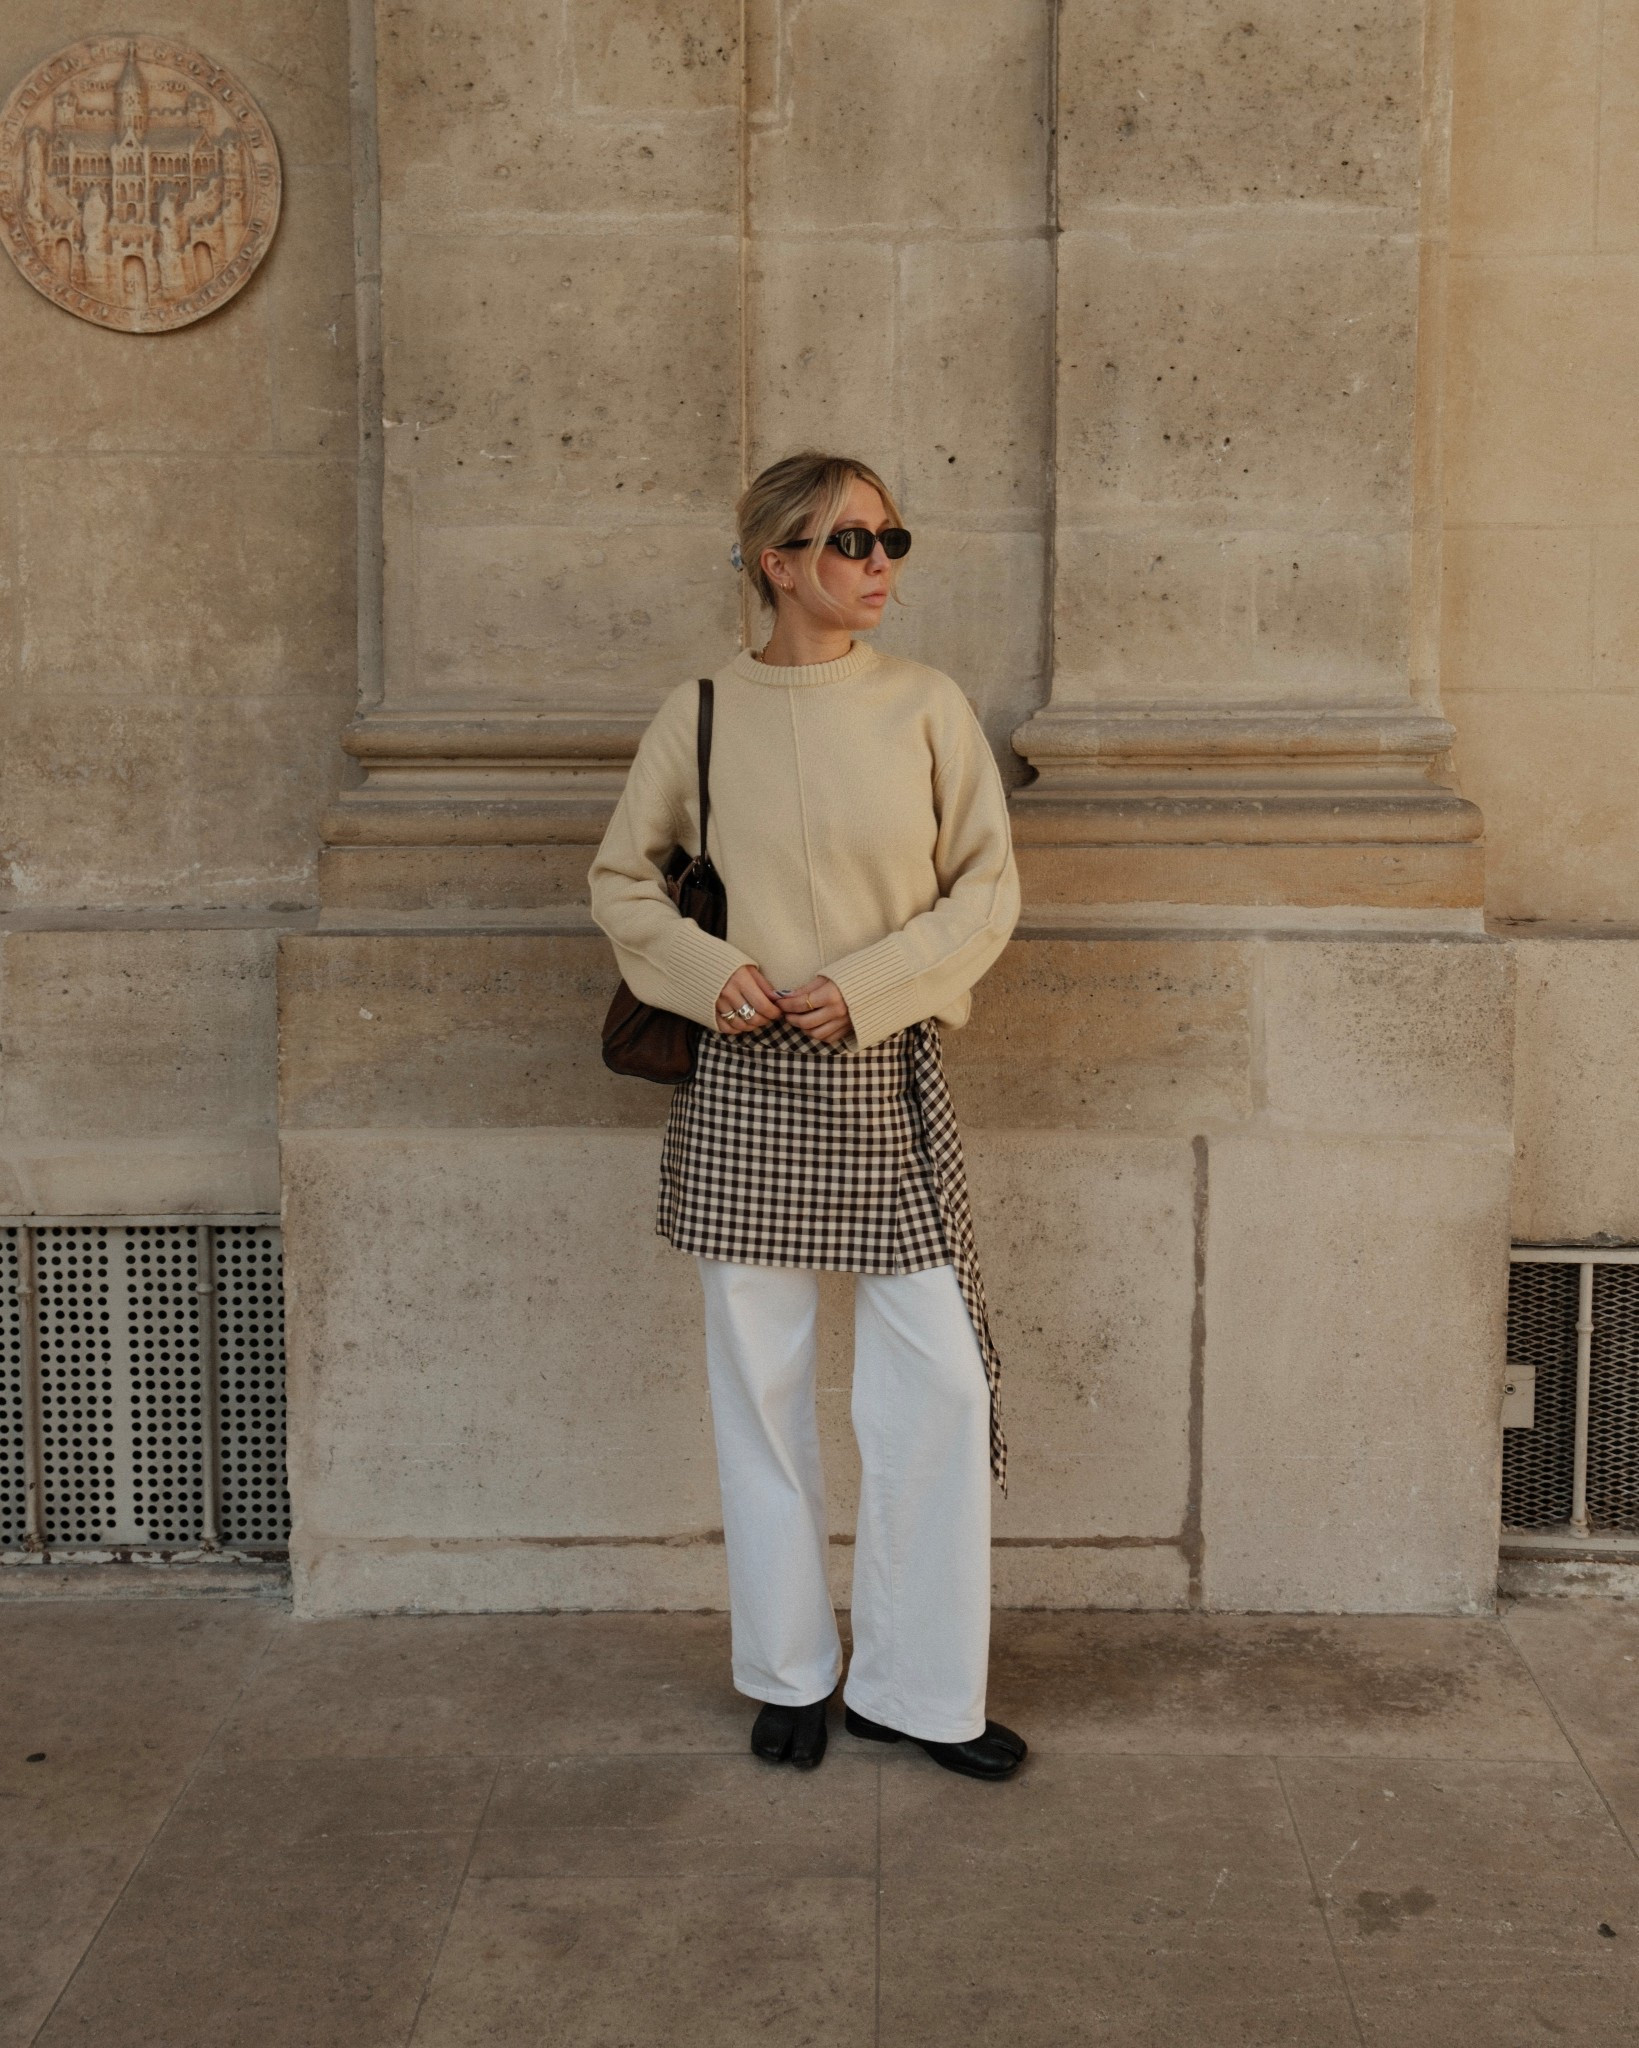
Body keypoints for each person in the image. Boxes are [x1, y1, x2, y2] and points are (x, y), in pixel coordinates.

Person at [588, 450, 1026, 1781]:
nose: (881, 565)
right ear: (780, 562)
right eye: (851, 543)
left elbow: (986, 890)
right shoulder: (703, 707)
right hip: (746, 1073)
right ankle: (788, 1671)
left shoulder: (928, 706)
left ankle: (919, 1688)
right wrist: (716, 977)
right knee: (760, 1386)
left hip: (884, 1072)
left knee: (938, 1383)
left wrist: (870, 987)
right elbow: (623, 878)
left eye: (893, 539)